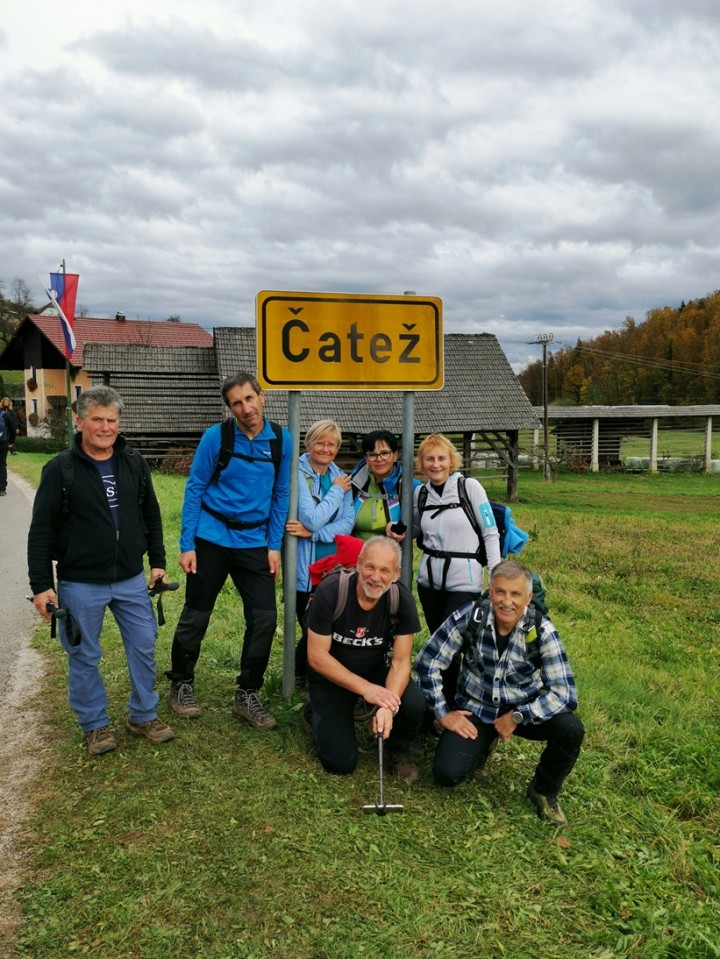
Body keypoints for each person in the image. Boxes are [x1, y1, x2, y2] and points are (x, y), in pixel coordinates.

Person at [27, 385, 174, 755]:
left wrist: (157, 562)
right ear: (80, 422)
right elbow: (41, 532)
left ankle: (142, 715)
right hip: (80, 583)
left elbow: (151, 515)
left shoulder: (135, 463)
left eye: (112, 420)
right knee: (84, 655)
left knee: (143, 646)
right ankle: (94, 725)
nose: (106, 427)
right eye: (97, 420)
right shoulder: (59, 469)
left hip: (130, 579)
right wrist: (42, 585)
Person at [414, 560, 585, 825]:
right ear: (489, 590)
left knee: (571, 728)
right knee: (446, 775)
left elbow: (565, 694)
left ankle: (543, 790)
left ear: (528, 598)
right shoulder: (470, 617)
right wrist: (443, 714)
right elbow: (427, 662)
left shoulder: (541, 630)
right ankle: (482, 746)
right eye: (500, 592)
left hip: (521, 711)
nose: (507, 601)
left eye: (516, 594)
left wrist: (518, 716)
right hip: (477, 709)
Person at [166, 372, 291, 729]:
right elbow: (194, 488)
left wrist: (274, 546)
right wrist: (187, 543)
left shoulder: (281, 441)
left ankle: (247, 694)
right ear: (230, 407)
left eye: (250, 399)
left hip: (254, 542)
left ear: (261, 396)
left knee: (264, 618)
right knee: (197, 613)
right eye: (237, 403)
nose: (245, 408)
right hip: (212, 537)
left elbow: (281, 495)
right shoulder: (216, 437)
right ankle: (181, 683)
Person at [304, 536, 426, 782]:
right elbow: (316, 657)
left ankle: (398, 751)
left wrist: (387, 706)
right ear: (359, 565)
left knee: (413, 703)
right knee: (341, 763)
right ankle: (314, 712)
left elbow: (401, 662)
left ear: (396, 574)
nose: (375, 577)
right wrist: (367, 690)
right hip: (331, 677)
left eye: (384, 570)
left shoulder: (401, 600)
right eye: (370, 567)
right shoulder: (331, 591)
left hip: (373, 670)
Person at [285, 420, 355, 679]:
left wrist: (312, 533)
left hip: (334, 568)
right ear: (309, 443)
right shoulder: (298, 473)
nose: (326, 449)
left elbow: (347, 525)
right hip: (306, 568)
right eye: (321, 443)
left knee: (330, 626)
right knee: (309, 626)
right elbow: (311, 516)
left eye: (332, 444)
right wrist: (336, 491)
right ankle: (304, 676)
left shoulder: (340, 476)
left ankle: (308, 676)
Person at [349, 430, 415, 540]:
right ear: (366, 458)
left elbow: (419, 526)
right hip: (356, 554)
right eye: (372, 455)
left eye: (384, 453)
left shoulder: (409, 486)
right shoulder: (353, 485)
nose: (379, 459)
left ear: (395, 455)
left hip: (392, 554)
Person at [0, 397, 17, 495]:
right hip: (2, 442)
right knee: (2, 464)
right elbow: (13, 429)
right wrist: (11, 441)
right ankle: (1, 489)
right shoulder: (5, 415)